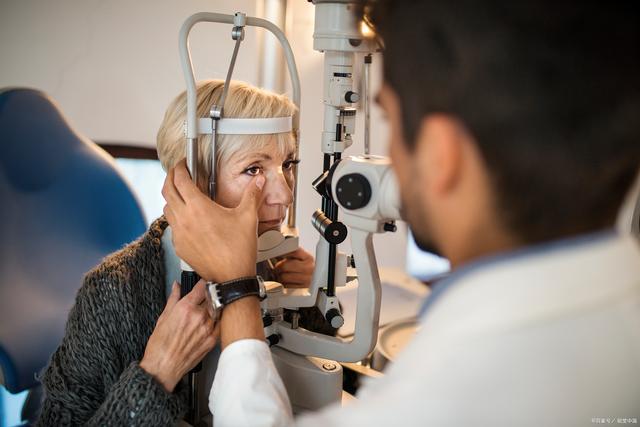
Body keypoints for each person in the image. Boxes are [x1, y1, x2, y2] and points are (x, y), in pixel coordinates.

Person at [162, 1, 640, 426]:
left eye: (389, 119)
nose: (282, 193)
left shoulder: (449, 396)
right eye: (252, 169)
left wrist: (238, 291)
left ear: (441, 155)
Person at [36, 79, 325, 426]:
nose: (285, 195)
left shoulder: (276, 263)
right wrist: (157, 372)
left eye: (288, 164)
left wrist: (312, 302)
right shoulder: (111, 293)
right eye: (253, 169)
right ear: (190, 182)